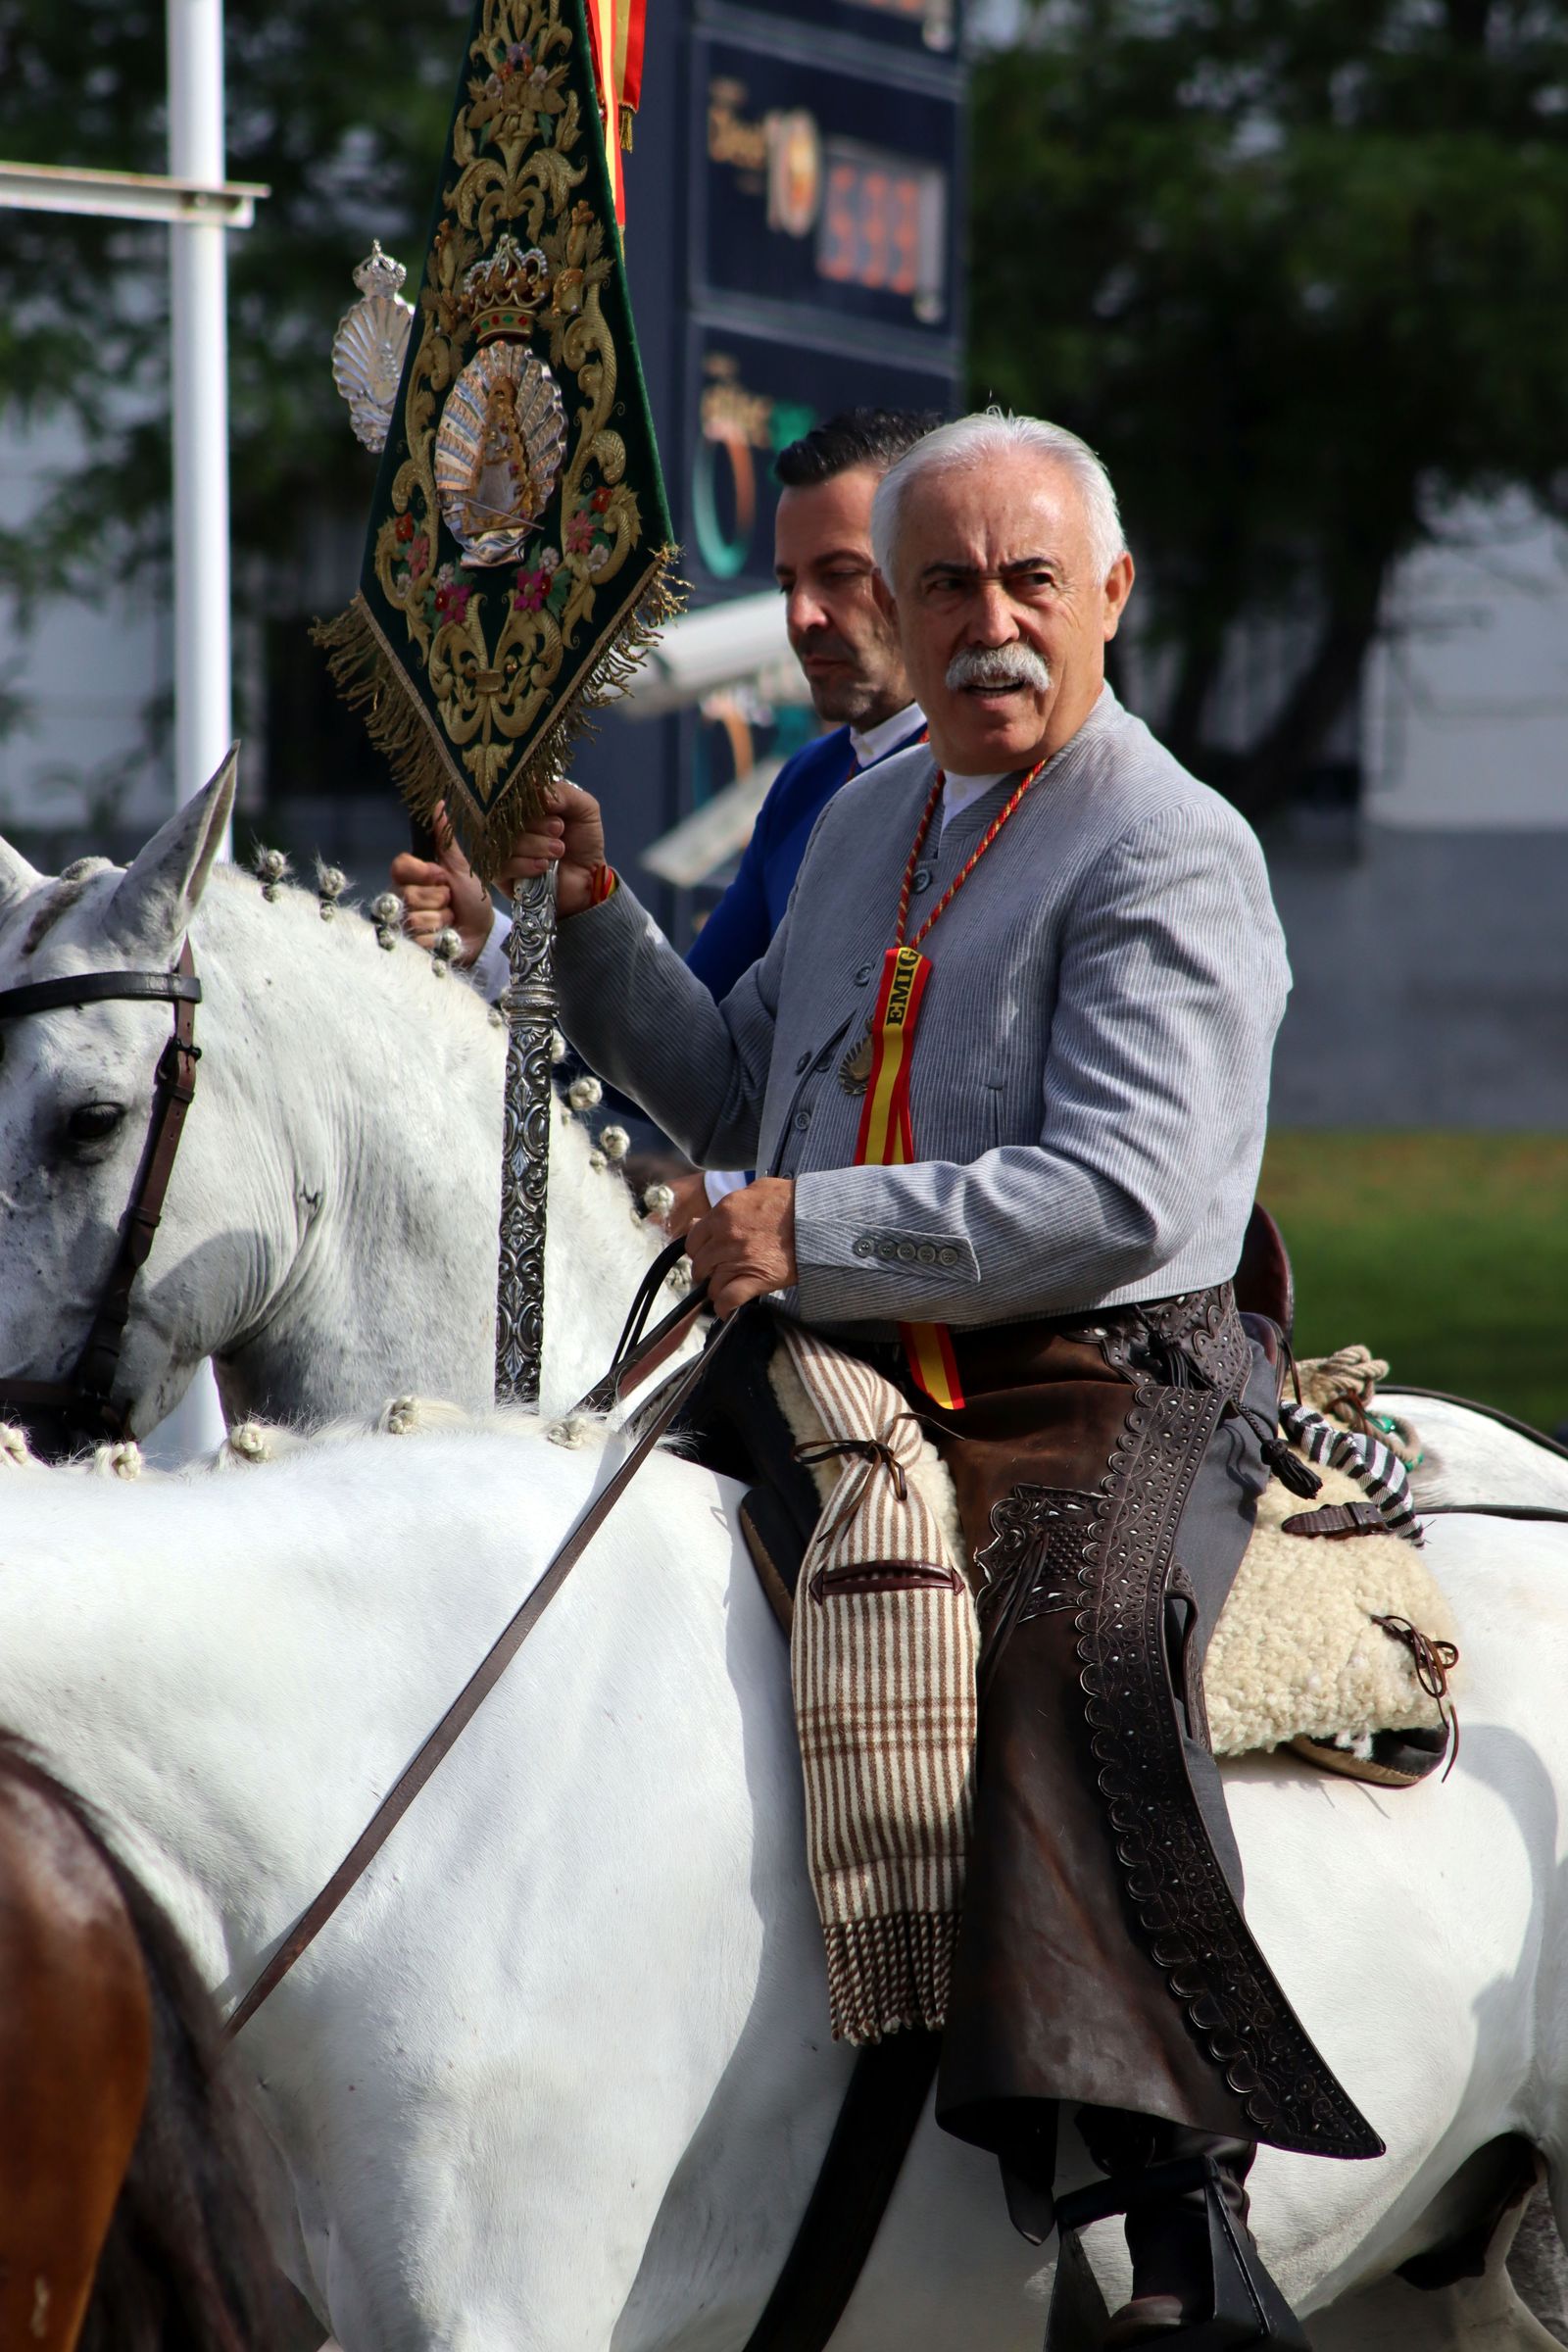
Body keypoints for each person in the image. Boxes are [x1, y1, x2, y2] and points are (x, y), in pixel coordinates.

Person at [495, 410, 1378, 2348]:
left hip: (1101, 1361)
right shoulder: (866, 815)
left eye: (1028, 582)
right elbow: (735, 1086)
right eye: (946, 584)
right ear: (893, 607)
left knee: (1056, 1642)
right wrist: (589, 919)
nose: (988, 623)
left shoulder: (1173, 849)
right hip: (842, 1335)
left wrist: (808, 1230)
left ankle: (1182, 2223)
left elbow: (1130, 1195)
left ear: (1107, 597)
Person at [391, 405, 939, 1225]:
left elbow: (943, 1102)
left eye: (841, 574)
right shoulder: (807, 784)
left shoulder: (987, 784)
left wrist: (726, 1195)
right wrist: (504, 941)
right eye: (789, 583)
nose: (800, 617)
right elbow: (692, 1066)